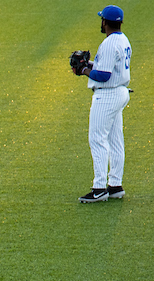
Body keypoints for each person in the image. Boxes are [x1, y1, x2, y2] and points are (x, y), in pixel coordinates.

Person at [76, 5, 131, 203]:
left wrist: (83, 70)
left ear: (105, 22)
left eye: (102, 20)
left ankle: (99, 188)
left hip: (107, 96)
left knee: (97, 139)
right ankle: (115, 185)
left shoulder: (109, 44)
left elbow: (104, 76)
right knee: (115, 139)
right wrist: (89, 66)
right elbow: (110, 70)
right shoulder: (123, 40)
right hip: (121, 92)